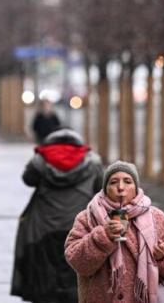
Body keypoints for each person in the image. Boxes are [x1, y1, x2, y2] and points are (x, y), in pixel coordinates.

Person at [64, 161, 164, 303]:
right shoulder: (87, 217)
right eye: (114, 182)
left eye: (127, 181)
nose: (120, 188)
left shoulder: (156, 218)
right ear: (105, 188)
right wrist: (102, 238)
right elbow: (77, 262)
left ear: (136, 187)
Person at [11, 128, 103, 303]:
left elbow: (27, 179)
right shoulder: (93, 162)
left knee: (46, 269)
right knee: (75, 268)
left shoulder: (40, 161)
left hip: (43, 226)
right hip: (79, 225)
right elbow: (101, 188)